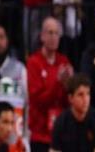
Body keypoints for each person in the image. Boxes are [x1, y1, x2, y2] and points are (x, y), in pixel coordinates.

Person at [27, 17, 73, 152]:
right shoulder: (33, 62)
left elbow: (68, 101)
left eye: (56, 33)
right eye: (50, 33)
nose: (53, 37)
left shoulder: (64, 61)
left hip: (61, 133)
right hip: (40, 134)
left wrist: (69, 85)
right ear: (42, 36)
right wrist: (58, 83)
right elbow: (37, 100)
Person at [51, 73, 95, 152]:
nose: (86, 99)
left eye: (88, 94)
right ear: (70, 98)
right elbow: (54, 150)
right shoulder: (61, 122)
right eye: (80, 95)